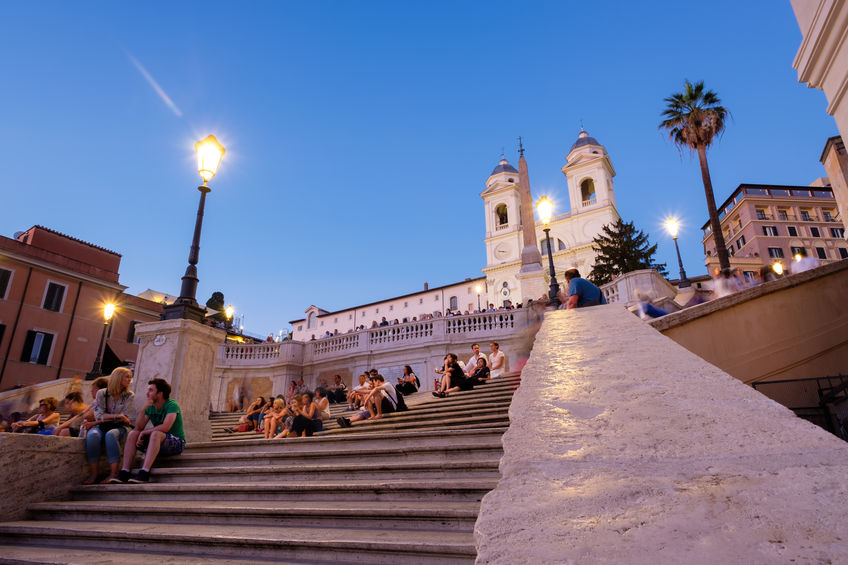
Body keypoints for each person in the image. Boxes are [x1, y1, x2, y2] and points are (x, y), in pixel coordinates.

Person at [117, 377, 185, 484]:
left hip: (176, 443)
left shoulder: (172, 405)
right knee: (133, 433)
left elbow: (166, 427)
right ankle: (125, 471)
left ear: (160, 394)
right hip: (157, 442)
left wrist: (145, 432)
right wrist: (143, 409)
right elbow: (139, 427)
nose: (147, 393)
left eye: (151, 390)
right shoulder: (151, 407)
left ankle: (144, 472)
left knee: (156, 433)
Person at [85, 367, 135, 485]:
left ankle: (113, 473)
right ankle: (94, 474)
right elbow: (98, 415)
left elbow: (127, 417)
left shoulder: (129, 395)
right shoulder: (102, 393)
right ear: (118, 378)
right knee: (92, 435)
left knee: (111, 435)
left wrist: (115, 417)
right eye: (127, 376)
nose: (130, 380)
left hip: (121, 427)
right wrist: (118, 416)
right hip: (102, 424)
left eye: (130, 377)